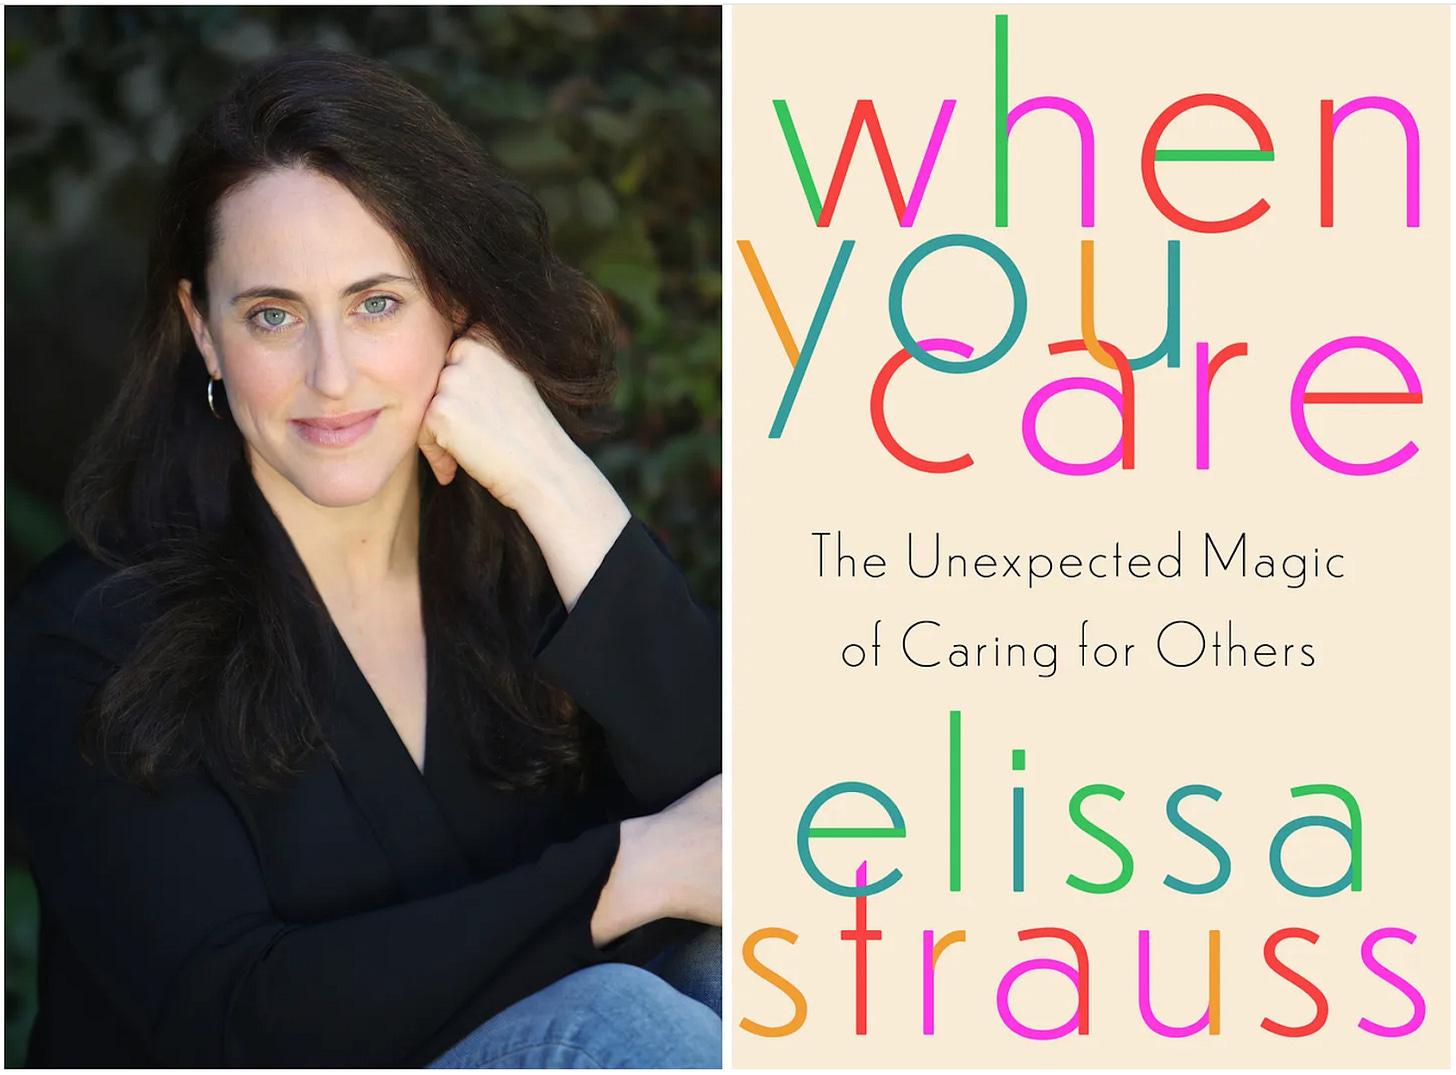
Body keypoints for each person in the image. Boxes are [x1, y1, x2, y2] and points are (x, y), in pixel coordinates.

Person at [5, 48, 722, 1069]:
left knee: (752, 961)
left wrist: (558, 484)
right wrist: (628, 874)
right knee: (617, 1018)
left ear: (455, 313)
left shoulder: (521, 573)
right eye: (273, 316)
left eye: (376, 303)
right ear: (201, 332)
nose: (330, 375)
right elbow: (226, 1018)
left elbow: (750, 818)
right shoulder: (88, 638)